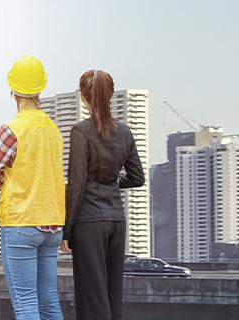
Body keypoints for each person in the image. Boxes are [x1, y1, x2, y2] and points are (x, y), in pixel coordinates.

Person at [0, 55, 65, 320]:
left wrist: (4, 179)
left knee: (26, 302)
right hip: (52, 225)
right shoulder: (53, 129)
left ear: (12, 90)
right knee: (49, 302)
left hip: (21, 224)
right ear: (40, 89)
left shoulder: (11, 130)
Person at [61, 69, 145, 320]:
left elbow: (76, 184)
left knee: (92, 295)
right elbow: (137, 178)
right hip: (116, 222)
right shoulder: (125, 131)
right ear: (109, 95)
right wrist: (110, 181)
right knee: (112, 295)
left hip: (89, 222)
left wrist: (67, 231)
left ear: (83, 96)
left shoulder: (81, 131)